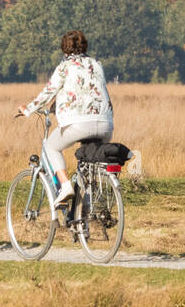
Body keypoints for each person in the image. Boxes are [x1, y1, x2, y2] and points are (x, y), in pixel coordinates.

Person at [14, 30, 113, 205]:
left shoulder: (65, 67)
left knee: (50, 146)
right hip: (105, 123)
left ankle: (65, 185)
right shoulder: (97, 64)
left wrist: (27, 109)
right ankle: (89, 209)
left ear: (64, 49)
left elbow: (48, 92)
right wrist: (57, 106)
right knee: (89, 165)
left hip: (79, 124)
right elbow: (88, 91)